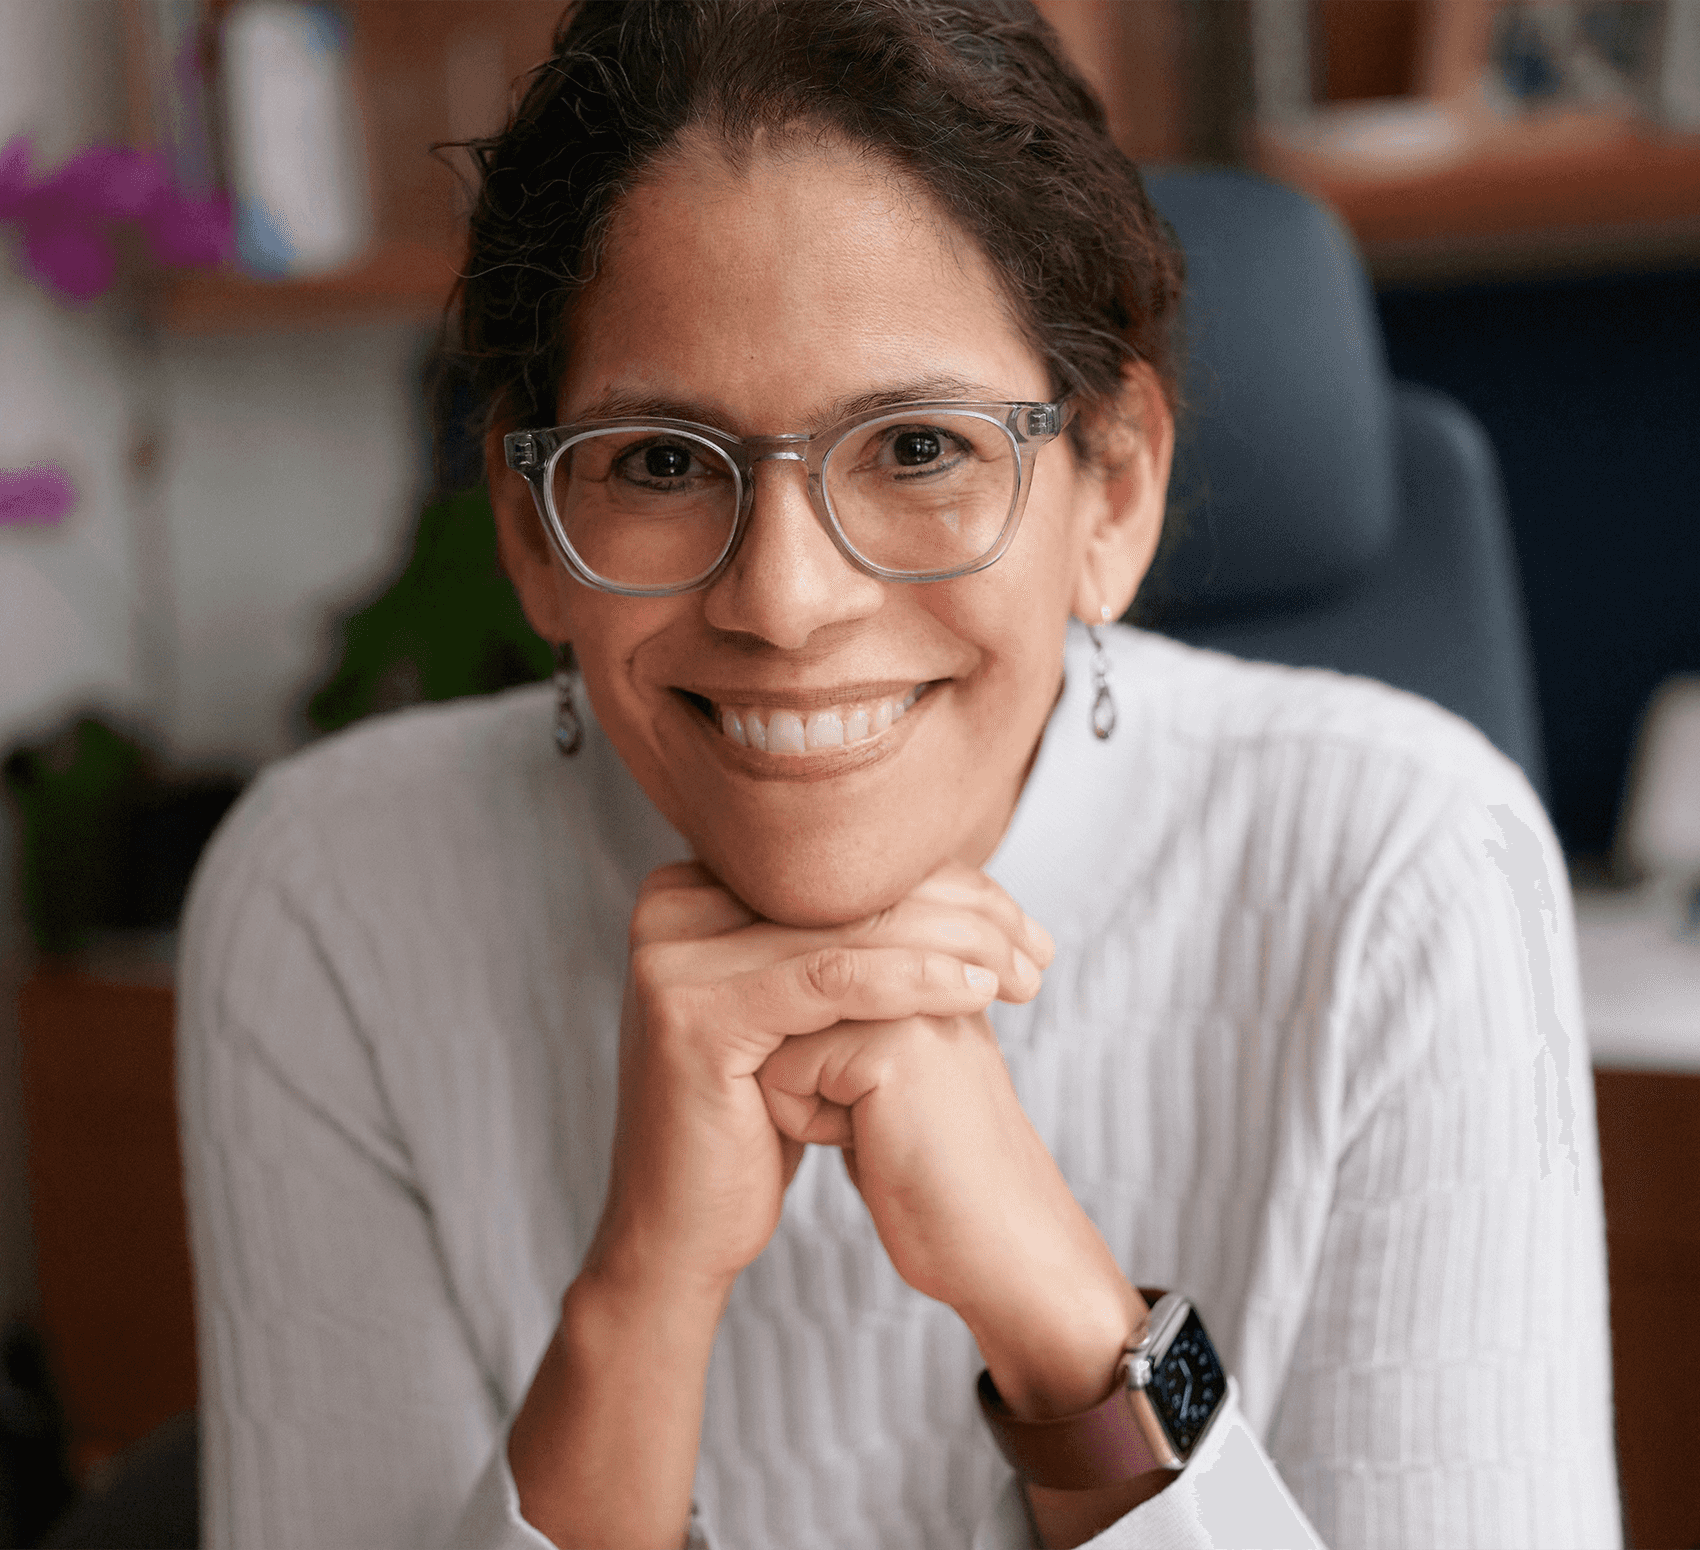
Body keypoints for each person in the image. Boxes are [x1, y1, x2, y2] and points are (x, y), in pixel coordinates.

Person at [175, 3, 1622, 1547]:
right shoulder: (333, 900)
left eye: (920, 446)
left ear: (1113, 484)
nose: (787, 604)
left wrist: (1069, 1327)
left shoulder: (1407, 869)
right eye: (662, 461)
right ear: (534, 530)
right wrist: (643, 1292)